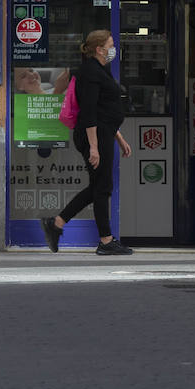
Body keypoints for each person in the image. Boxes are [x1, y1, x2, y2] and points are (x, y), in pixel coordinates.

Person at [41, 30, 134, 255]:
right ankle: (105, 241)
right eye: (111, 45)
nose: (114, 49)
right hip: (94, 136)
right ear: (100, 49)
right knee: (102, 188)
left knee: (99, 187)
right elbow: (90, 112)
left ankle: (57, 223)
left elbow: (104, 110)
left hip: (103, 133)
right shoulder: (91, 71)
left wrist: (119, 137)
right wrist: (94, 147)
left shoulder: (100, 69)